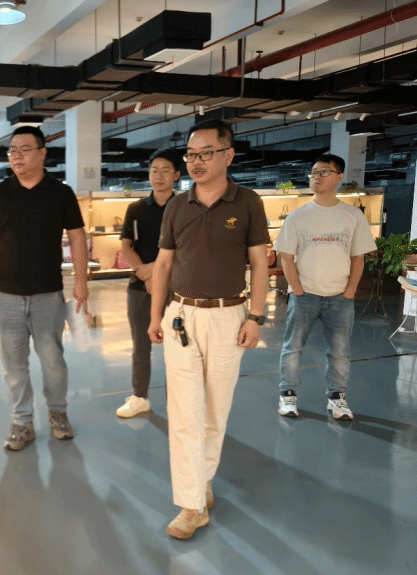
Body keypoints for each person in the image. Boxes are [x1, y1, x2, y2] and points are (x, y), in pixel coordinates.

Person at [147, 119, 270, 540]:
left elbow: (259, 263)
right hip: (181, 315)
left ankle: (202, 479)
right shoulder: (177, 206)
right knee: (184, 413)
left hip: (228, 317)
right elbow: (163, 264)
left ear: (228, 155)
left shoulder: (247, 202)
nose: (196, 162)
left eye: (206, 153)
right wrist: (155, 316)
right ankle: (191, 505)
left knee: (215, 411)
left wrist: (256, 317)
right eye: (191, 154)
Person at [0, 126, 89, 451]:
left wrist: (81, 281)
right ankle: (22, 422)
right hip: (7, 296)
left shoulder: (60, 193)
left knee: (53, 362)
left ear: (42, 153)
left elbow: (77, 237)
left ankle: (58, 413)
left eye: (24, 149)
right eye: (12, 150)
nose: (17, 156)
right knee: (13, 365)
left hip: (48, 295)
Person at [274, 154, 376, 420]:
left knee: (339, 353)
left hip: (340, 298)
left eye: (323, 172)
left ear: (340, 177)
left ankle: (337, 399)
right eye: (314, 172)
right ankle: (287, 395)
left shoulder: (353, 216)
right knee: (292, 348)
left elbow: (358, 258)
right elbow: (286, 257)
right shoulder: (297, 217)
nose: (316, 177)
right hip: (304, 296)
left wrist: (350, 292)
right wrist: (297, 290)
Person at [116, 148, 180, 418]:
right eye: (154, 170)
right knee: (141, 346)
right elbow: (126, 246)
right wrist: (143, 270)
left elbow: (187, 248)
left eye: (165, 171)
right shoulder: (136, 209)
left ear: (177, 175)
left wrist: (155, 270)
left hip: (177, 287)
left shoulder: (185, 207)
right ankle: (139, 396)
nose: (159, 176)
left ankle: (179, 401)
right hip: (140, 287)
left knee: (179, 346)